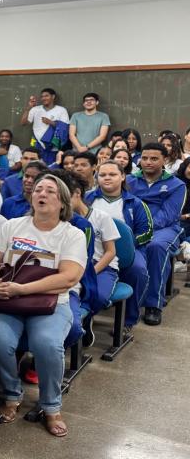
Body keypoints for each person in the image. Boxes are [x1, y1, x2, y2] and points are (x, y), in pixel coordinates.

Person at [0, 174, 87, 438]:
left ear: (63, 203)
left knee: (47, 344)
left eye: (50, 191)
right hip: (9, 300)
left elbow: (69, 278)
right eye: (38, 189)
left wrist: (23, 289)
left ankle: (51, 405)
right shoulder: (13, 226)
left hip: (51, 303)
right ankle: (11, 393)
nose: (41, 193)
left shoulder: (72, 234)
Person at [85, 161, 152, 333]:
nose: (107, 178)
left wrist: (126, 244)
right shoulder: (88, 199)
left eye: (112, 174)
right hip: (94, 247)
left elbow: (147, 232)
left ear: (122, 177)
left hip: (129, 249)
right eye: (102, 175)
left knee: (137, 270)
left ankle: (128, 320)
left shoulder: (135, 203)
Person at [127, 142, 188, 325]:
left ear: (165, 160)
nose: (148, 162)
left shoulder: (176, 185)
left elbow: (168, 215)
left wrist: (143, 230)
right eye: (144, 158)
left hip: (166, 229)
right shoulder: (129, 180)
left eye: (154, 158)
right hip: (134, 225)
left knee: (155, 246)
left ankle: (153, 304)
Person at [69, 175, 119, 321]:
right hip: (75, 265)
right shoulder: (62, 218)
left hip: (101, 266)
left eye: (66, 196)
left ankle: (86, 321)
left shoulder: (101, 217)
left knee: (99, 297)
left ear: (77, 193)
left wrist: (90, 272)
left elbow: (110, 252)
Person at [20, 88, 70, 162]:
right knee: (35, 165)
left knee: (51, 167)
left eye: (46, 96)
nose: (43, 98)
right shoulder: (35, 109)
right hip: (36, 142)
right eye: (42, 96)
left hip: (53, 144)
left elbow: (65, 128)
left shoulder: (61, 110)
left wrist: (51, 122)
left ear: (53, 97)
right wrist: (28, 108)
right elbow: (23, 123)